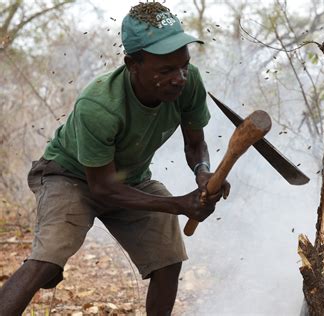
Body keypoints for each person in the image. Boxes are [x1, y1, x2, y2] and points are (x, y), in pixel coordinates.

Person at [0, 2, 230, 315]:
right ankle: (51, 267)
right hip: (70, 177)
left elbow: (195, 144)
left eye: (183, 66)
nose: (179, 78)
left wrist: (203, 173)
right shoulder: (99, 105)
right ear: (133, 64)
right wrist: (178, 205)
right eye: (165, 70)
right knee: (45, 261)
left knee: (168, 261)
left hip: (130, 181)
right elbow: (103, 189)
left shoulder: (188, 84)